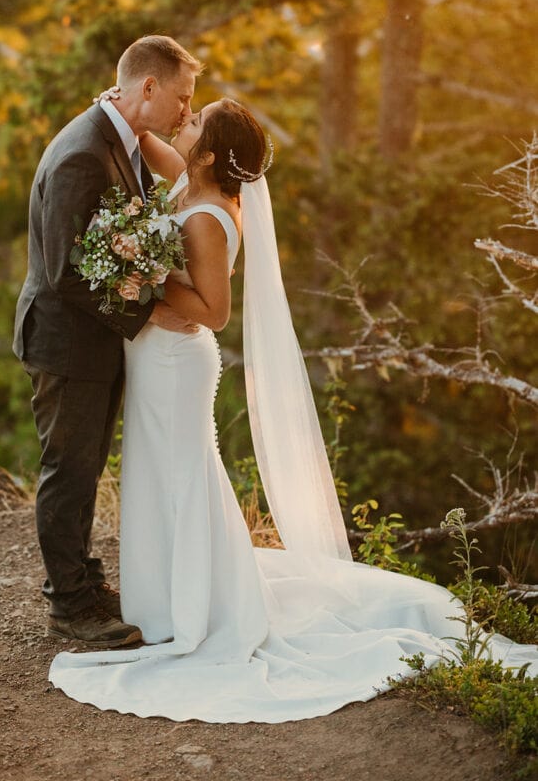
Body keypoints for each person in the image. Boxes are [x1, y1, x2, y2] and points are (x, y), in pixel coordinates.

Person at [48, 96, 537, 723]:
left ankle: (194, 613)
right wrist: (123, 102)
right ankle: (169, 603)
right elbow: (148, 140)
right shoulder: (189, 183)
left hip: (176, 363)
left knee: (183, 476)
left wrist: (139, 272)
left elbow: (215, 312)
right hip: (158, 357)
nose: (184, 122)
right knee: (159, 476)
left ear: (208, 151)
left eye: (193, 123)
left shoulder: (204, 214)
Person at [13, 35, 201, 647]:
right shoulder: (82, 154)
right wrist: (148, 315)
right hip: (67, 345)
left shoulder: (120, 141)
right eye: (182, 97)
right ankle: (69, 605)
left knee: (86, 468)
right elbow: (66, 271)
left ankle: (86, 581)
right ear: (149, 87)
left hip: (93, 342)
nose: (184, 112)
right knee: (68, 471)